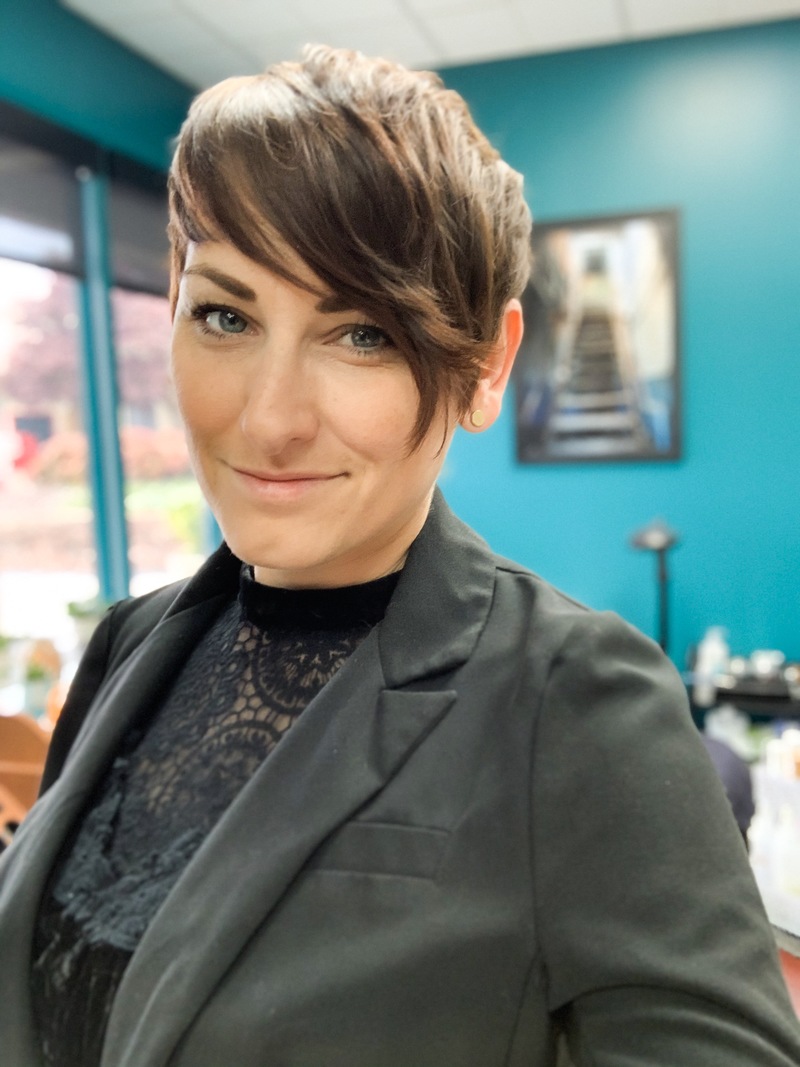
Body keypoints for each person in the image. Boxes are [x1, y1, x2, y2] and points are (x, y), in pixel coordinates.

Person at [1, 44, 799, 1067]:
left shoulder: (576, 702)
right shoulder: (128, 643)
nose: (269, 417)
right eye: (226, 315)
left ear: (487, 365)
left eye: (363, 334)